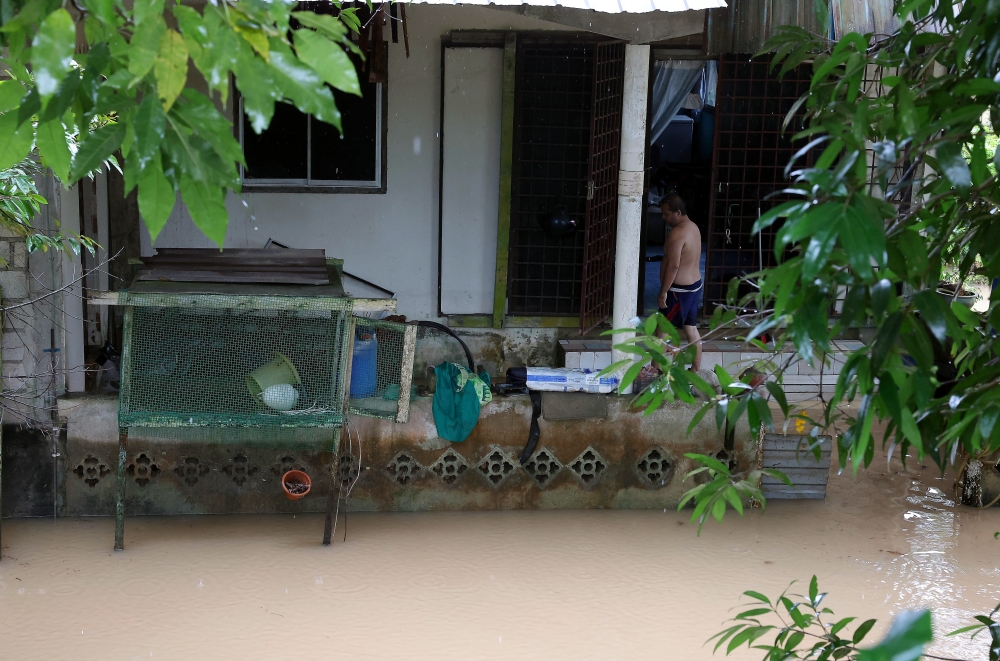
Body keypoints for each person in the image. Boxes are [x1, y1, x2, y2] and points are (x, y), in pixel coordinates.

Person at [657, 193, 703, 371]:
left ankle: (654, 370)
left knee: (662, 330)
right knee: (690, 328)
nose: (663, 217)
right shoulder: (693, 227)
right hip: (694, 286)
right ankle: (695, 369)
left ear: (678, 212)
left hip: (679, 291)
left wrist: (664, 291)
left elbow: (674, 265)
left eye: (666, 214)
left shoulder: (677, 233)